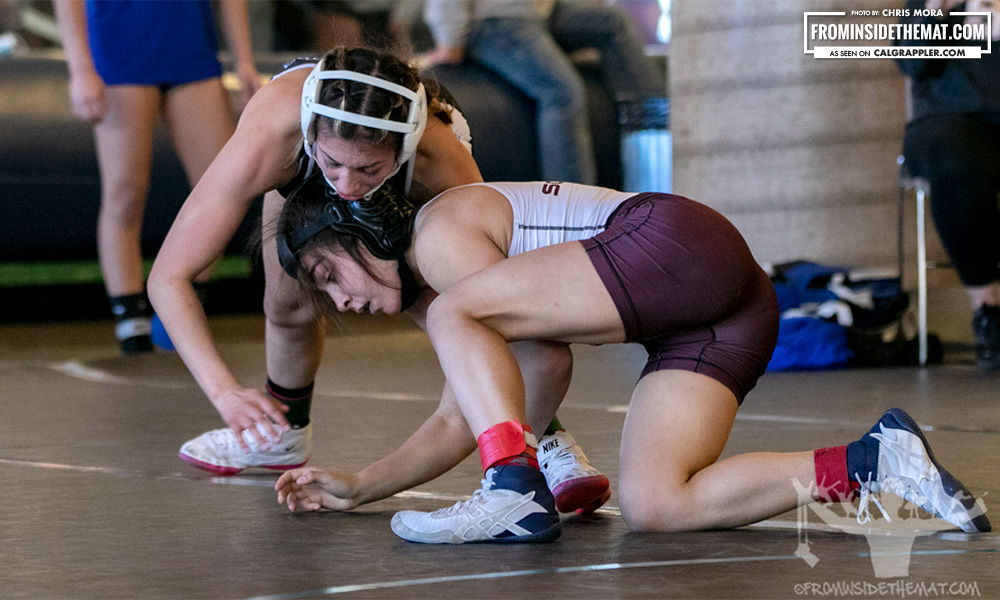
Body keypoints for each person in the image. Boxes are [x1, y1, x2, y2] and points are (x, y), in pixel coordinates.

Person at [272, 178, 992, 543]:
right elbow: (470, 408)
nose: (343, 299)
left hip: (675, 242)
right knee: (656, 503)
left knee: (466, 321)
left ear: (362, 230)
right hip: (720, 309)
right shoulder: (451, 303)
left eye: (330, 273)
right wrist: (360, 487)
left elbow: (542, 365)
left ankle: (514, 489)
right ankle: (876, 462)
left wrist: (513, 469)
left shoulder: (437, 234)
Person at [146, 46, 611, 515]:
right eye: (334, 164)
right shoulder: (272, 135)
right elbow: (169, 276)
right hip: (298, 165)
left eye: (367, 168)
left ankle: (546, 438)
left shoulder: (436, 156)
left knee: (450, 305)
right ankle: (280, 434)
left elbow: (497, 299)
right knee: (288, 304)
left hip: (406, 191)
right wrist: (224, 391)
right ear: (310, 131)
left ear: (404, 147)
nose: (346, 186)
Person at [53, 0, 261, 355]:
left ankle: (179, 306)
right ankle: (131, 320)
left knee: (225, 188)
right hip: (120, 52)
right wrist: (80, 67)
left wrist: (244, 60)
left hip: (191, 51)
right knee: (126, 194)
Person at [420, 0, 665, 185]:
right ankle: (571, 202)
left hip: (539, 14)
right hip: (496, 21)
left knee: (611, 22)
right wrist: (449, 42)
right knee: (561, 93)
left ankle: (660, 125)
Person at [895, 0, 1000, 371]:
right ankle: (988, 311)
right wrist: (936, 9)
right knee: (956, 160)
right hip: (949, 123)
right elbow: (911, 60)